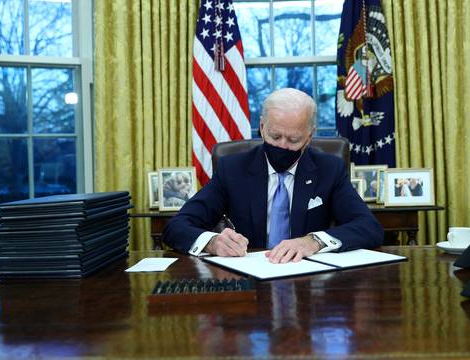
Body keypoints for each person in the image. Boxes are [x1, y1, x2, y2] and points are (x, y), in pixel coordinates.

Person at [162, 88, 383, 263]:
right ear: (262, 126)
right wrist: (212, 243)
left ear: (309, 136)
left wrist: (314, 241)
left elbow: (369, 227)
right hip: (249, 281)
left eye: (294, 140)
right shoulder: (233, 169)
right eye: (275, 136)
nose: (283, 146)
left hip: (309, 282)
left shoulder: (329, 169)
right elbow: (177, 226)